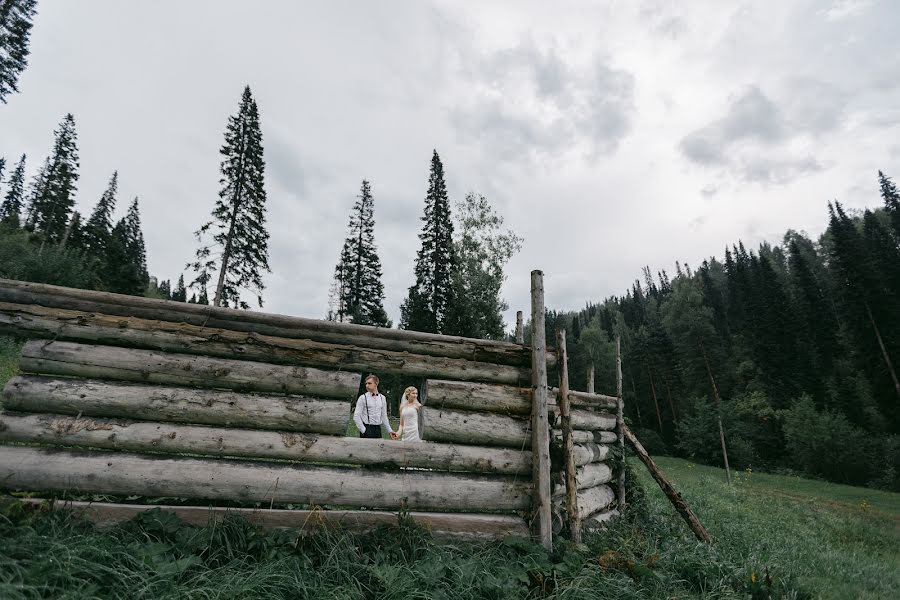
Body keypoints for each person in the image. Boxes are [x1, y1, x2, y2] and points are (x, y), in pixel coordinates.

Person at [353, 374, 398, 440]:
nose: (367, 385)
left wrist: (390, 431)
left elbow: (384, 416)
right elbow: (356, 416)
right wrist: (363, 430)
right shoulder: (363, 398)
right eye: (366, 384)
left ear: (376, 384)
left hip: (377, 429)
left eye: (369, 383)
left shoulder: (382, 398)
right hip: (367, 428)